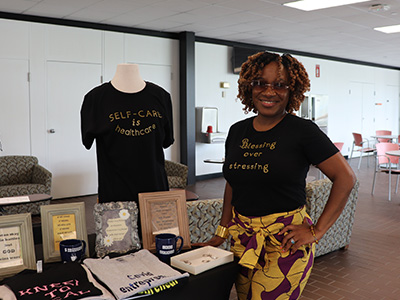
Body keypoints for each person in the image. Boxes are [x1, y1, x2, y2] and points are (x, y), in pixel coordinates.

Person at [195, 52, 356, 300]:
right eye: (260, 83)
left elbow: (345, 178)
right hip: (244, 239)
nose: (269, 92)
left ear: (293, 90)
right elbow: (234, 183)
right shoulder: (238, 131)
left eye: (280, 85)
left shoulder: (303, 131)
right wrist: (222, 231)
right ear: (249, 87)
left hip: (285, 242)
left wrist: (317, 232)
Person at [80, 63, 174, 203]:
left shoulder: (161, 97)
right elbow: (87, 141)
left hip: (155, 192)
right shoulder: (95, 99)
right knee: (116, 224)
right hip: (115, 195)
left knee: (156, 225)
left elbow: (167, 140)